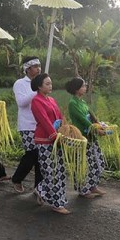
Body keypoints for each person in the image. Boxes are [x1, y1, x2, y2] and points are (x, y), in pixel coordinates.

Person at [31, 73, 70, 215]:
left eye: (51, 83)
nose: (50, 86)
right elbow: (44, 121)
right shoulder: (36, 101)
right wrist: (55, 136)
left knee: (59, 171)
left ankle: (41, 189)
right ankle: (57, 204)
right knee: (51, 172)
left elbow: (59, 116)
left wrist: (65, 130)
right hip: (45, 140)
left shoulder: (52, 99)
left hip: (57, 139)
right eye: (47, 84)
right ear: (39, 86)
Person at [66, 77, 107, 198]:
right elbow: (84, 121)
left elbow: (92, 118)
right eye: (83, 86)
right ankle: (83, 190)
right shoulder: (72, 103)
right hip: (82, 139)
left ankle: (92, 186)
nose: (85, 87)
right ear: (77, 89)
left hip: (91, 137)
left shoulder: (83, 103)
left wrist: (100, 125)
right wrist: (96, 129)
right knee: (83, 164)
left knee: (97, 162)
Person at [10, 56, 42, 193]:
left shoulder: (41, 82)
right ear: (28, 69)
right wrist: (37, 91)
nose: (38, 69)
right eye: (35, 66)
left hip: (40, 124)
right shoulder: (20, 83)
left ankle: (39, 187)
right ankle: (17, 178)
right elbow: (21, 102)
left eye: (39, 66)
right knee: (32, 154)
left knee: (41, 155)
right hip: (27, 125)